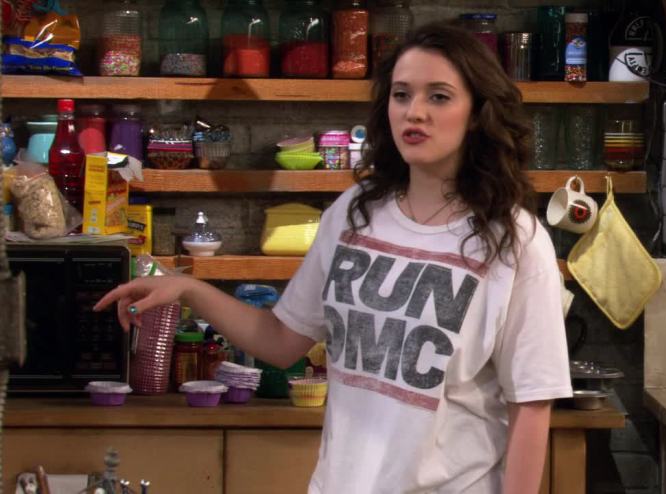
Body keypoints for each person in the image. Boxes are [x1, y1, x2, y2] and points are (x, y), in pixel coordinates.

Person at [94, 21, 572, 494]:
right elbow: (281, 341)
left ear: (478, 113)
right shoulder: (354, 212)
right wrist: (188, 288)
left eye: (439, 96)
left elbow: (531, 405)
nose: (414, 112)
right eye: (401, 94)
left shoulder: (515, 241)